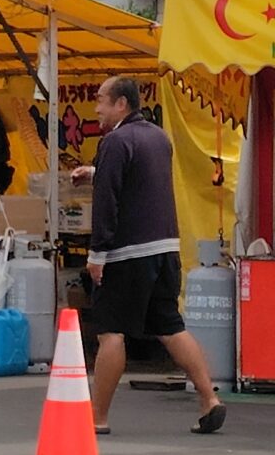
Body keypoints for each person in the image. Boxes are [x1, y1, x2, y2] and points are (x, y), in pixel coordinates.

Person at [72, 76, 227, 434]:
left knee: (111, 332)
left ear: (121, 104)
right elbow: (140, 181)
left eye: (101, 100)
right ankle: (209, 399)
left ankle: (97, 418)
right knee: (170, 326)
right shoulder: (158, 138)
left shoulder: (115, 141)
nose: (96, 108)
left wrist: (97, 253)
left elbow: (107, 201)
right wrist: (96, 172)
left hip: (128, 252)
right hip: (165, 248)